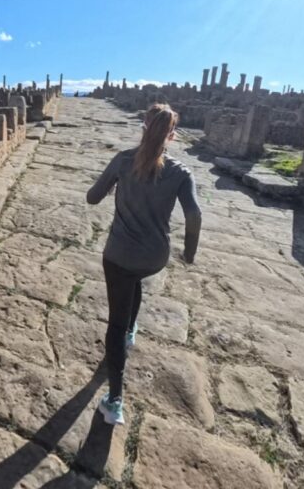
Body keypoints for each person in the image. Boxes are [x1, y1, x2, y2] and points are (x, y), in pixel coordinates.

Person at [85, 103, 202, 425]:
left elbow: (92, 197)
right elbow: (194, 214)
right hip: (155, 257)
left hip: (119, 254)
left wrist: (112, 187)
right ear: (172, 136)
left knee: (114, 322)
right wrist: (189, 254)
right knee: (134, 282)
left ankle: (114, 400)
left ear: (143, 128)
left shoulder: (123, 160)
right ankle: (132, 331)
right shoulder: (180, 172)